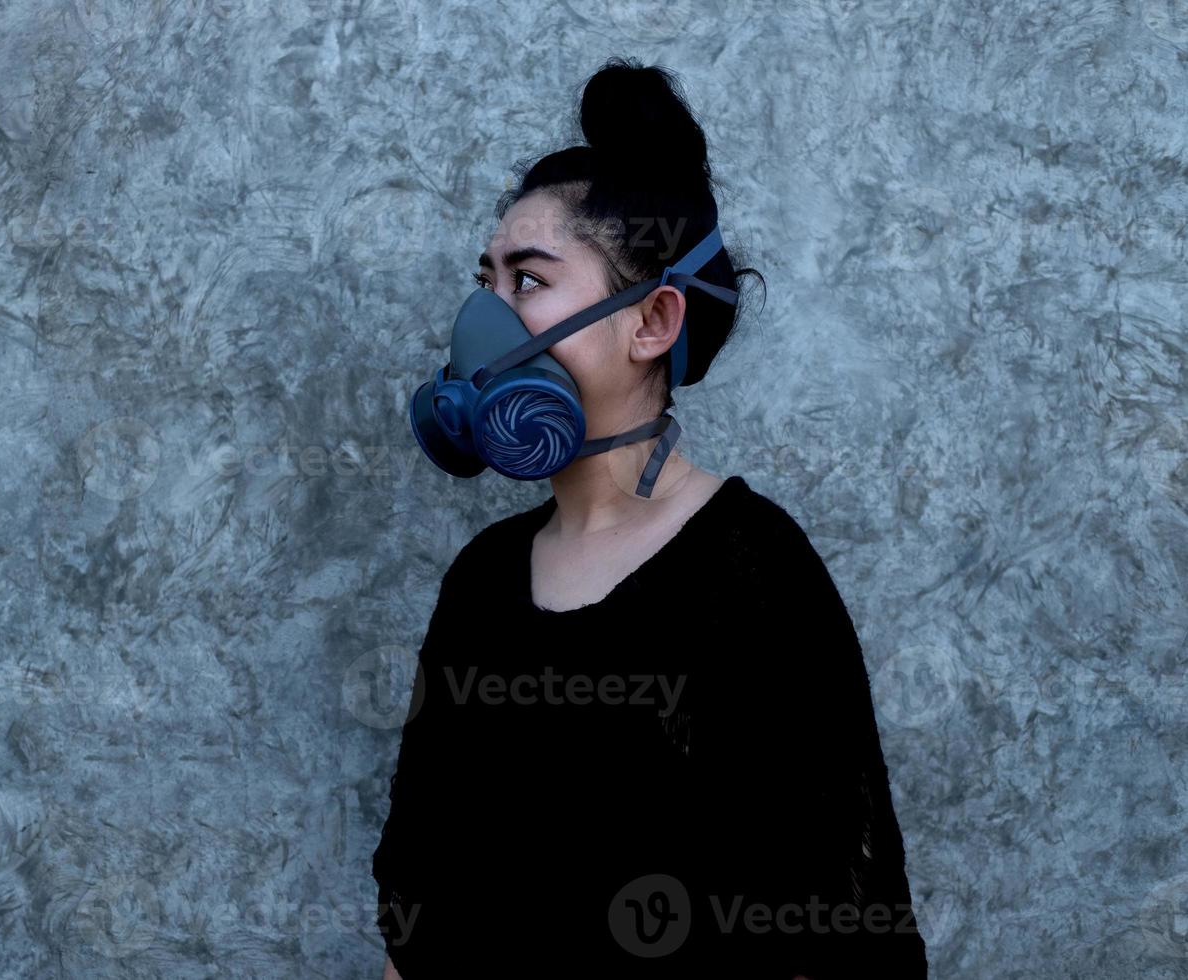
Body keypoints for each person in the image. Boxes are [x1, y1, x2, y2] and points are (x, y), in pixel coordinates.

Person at [373, 57, 928, 979]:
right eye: (487, 279)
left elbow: (836, 919)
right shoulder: (481, 580)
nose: (485, 317)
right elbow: (419, 905)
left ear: (652, 321)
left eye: (528, 281)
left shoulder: (754, 573)